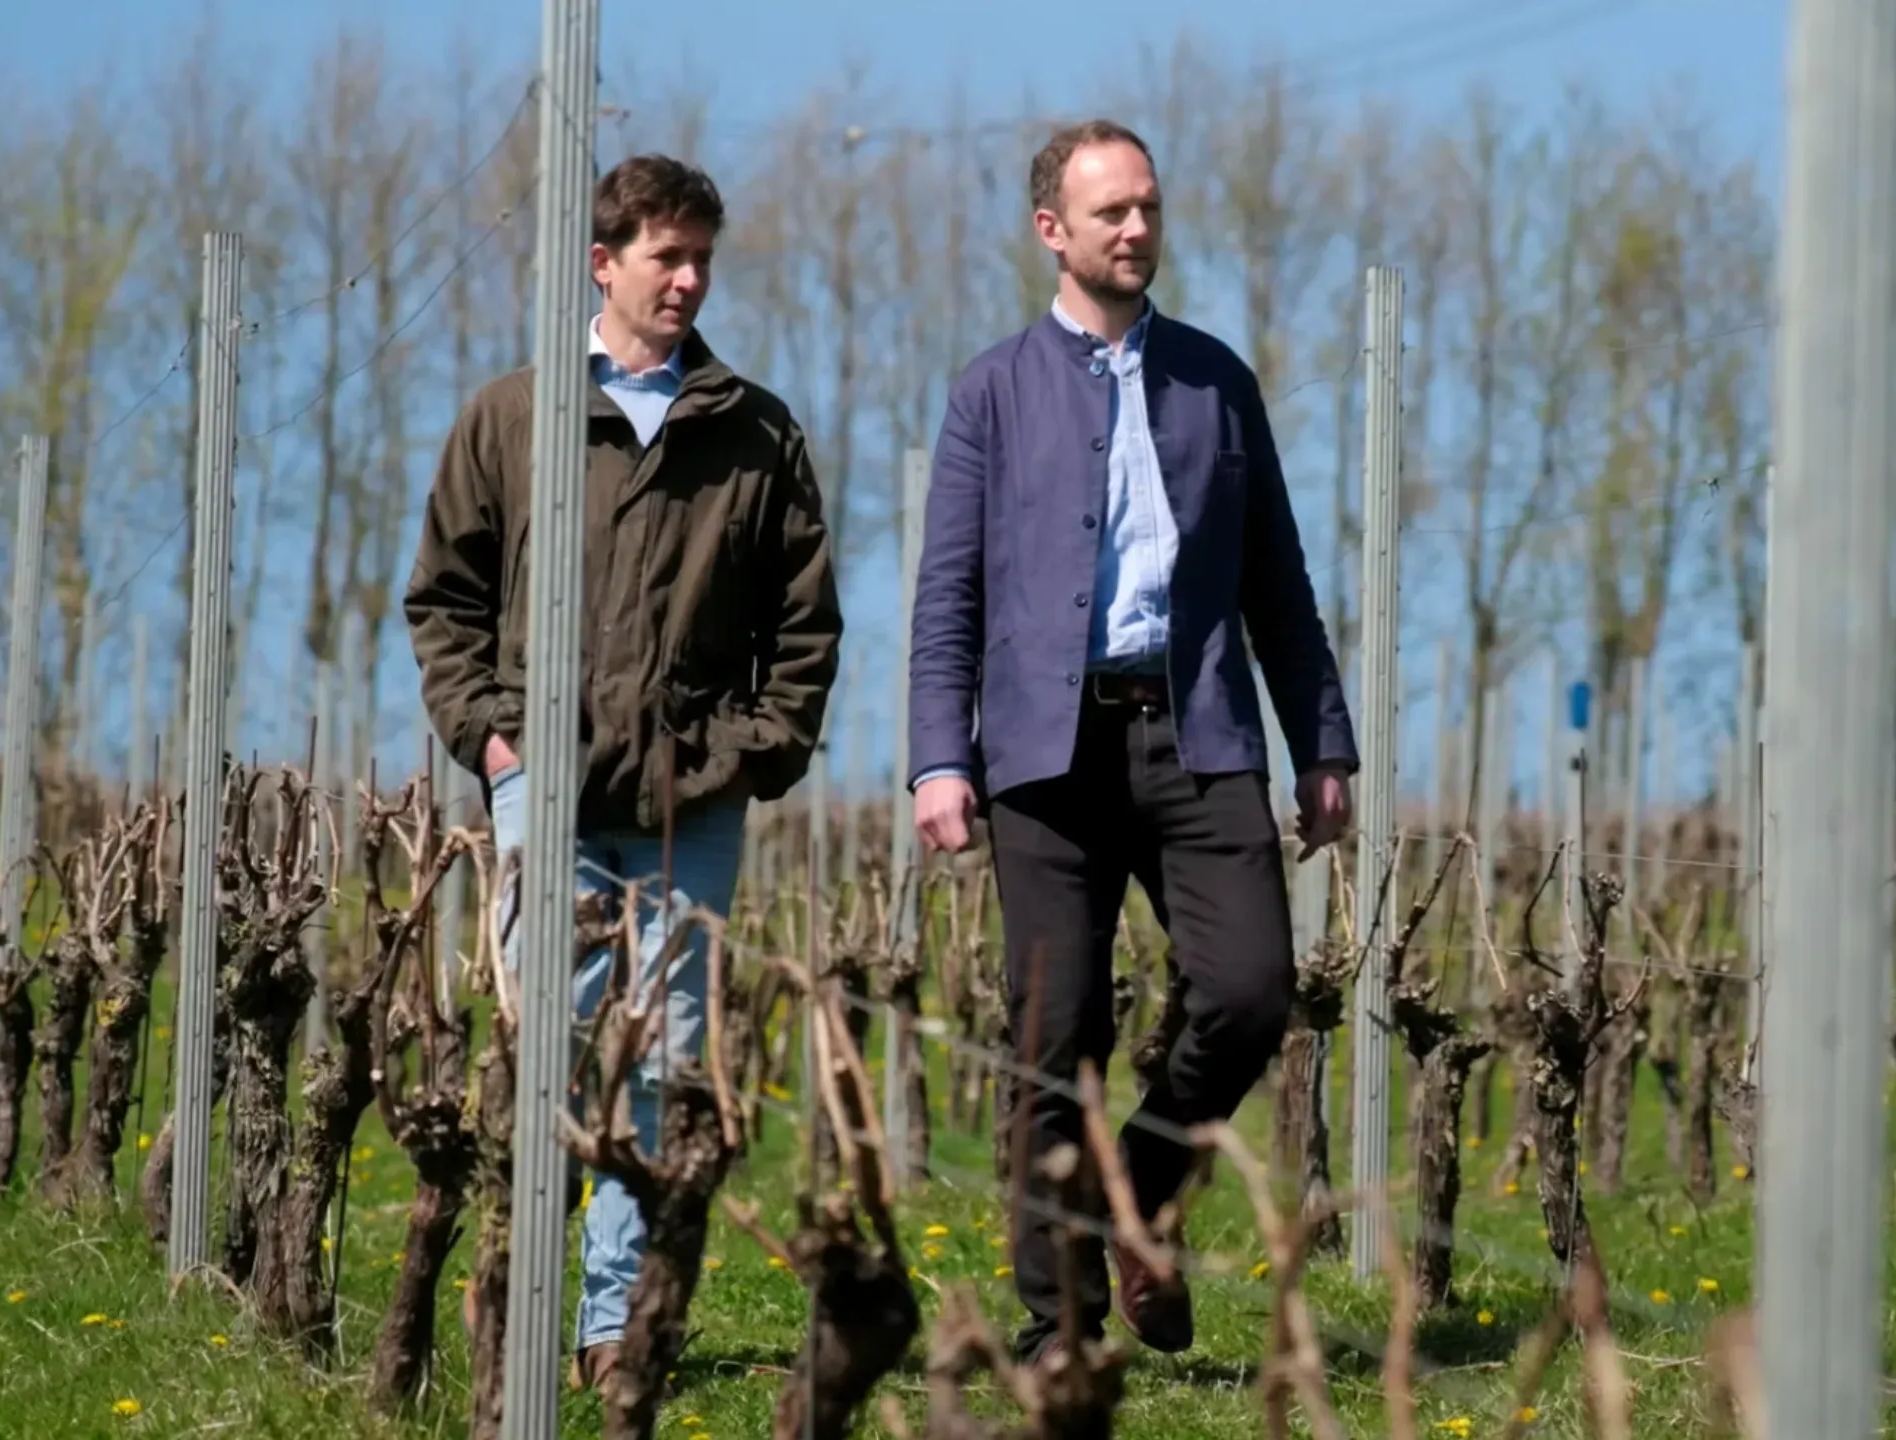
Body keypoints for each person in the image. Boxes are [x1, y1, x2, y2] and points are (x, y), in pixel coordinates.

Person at [905, 117, 1357, 1365]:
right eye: (1111, 212)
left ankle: (1136, 1194)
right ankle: (1059, 1329)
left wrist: (1323, 741)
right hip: (1046, 759)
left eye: (1149, 206)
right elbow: (947, 593)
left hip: (1198, 731)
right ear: (1052, 229)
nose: (1138, 228)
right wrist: (941, 756)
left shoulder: (1219, 382)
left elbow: (1279, 581)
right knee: (1055, 1038)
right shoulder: (991, 392)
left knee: (1253, 988)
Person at [401, 152, 842, 1398]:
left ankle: (612, 1331)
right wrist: (491, 737)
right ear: (604, 262)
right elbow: (445, 599)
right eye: (667, 256)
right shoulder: (513, 415)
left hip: (687, 805)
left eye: (703, 257)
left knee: (662, 1062)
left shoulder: (755, 431)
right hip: (542, 786)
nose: (690, 280)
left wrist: (746, 755)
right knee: (542, 1046)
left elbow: (804, 629)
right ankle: (513, 1303)